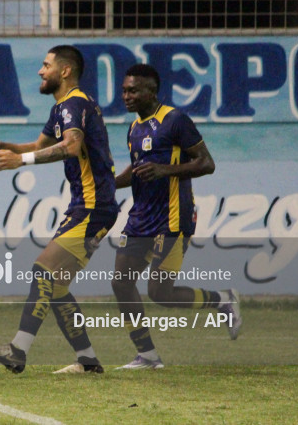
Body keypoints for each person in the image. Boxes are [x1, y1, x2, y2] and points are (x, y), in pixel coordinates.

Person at [0, 45, 118, 374]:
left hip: (93, 207)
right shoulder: (65, 107)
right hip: (92, 206)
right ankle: (88, 361)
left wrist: (20, 161)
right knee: (56, 286)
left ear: (65, 71)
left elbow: (71, 146)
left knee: (43, 270)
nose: (40, 71)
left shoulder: (74, 103)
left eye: (46, 65)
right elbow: (37, 147)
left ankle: (18, 350)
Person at [111, 63, 242, 370]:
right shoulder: (134, 128)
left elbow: (206, 163)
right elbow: (138, 170)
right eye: (124, 90)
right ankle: (147, 356)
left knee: (160, 292)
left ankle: (222, 300)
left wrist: (166, 170)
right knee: (121, 283)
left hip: (173, 218)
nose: (126, 96)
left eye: (133, 90)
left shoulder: (175, 120)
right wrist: (107, 183)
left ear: (151, 91)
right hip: (140, 218)